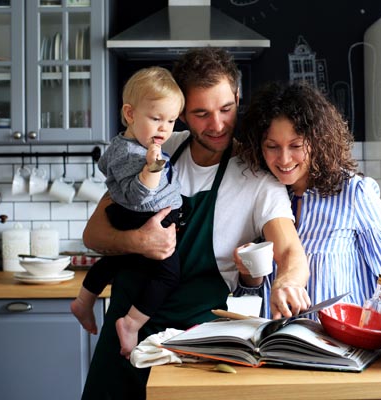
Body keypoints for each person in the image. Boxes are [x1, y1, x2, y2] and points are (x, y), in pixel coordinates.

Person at [80, 49, 311, 400]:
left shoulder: (257, 178)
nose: (216, 125)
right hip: (126, 332)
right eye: (201, 113)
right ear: (181, 113)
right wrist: (139, 242)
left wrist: (288, 281)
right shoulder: (157, 147)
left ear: (237, 98)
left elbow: (290, 248)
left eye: (225, 110)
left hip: (196, 346)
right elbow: (93, 234)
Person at [235, 81, 381, 318]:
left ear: (317, 140)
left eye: (295, 145)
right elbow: (249, 306)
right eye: (272, 146)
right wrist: (249, 278)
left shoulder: (354, 193)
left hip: (340, 348)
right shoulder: (258, 196)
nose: (284, 159)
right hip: (275, 348)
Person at [71, 66, 185, 357]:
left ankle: (84, 300)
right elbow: (138, 194)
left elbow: (106, 168)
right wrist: (152, 167)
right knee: (168, 276)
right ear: (130, 114)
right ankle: (131, 324)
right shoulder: (136, 153)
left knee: (119, 262)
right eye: (156, 118)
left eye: (171, 120)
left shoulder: (125, 146)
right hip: (142, 215)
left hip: (137, 214)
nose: (164, 128)